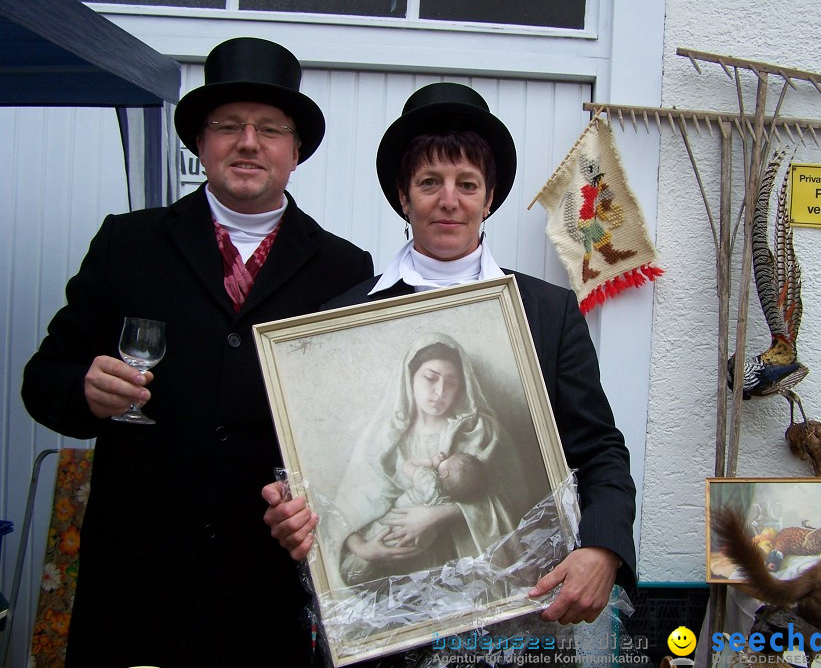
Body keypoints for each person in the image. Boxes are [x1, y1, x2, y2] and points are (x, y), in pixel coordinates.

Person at [21, 37, 373, 667]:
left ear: (296, 151)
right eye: (227, 126)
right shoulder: (128, 243)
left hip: (263, 586)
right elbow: (44, 378)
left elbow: (354, 431)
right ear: (200, 142)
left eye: (270, 128)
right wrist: (84, 389)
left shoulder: (343, 270)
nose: (248, 142)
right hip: (137, 580)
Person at [263, 82, 636, 639]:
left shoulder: (547, 311)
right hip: (386, 627)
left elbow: (600, 447)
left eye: (468, 184)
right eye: (429, 183)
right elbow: (321, 476)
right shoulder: (345, 319)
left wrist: (604, 549)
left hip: (517, 615)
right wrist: (295, 513)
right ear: (403, 195)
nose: (449, 200)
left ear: (489, 199)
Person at [337, 334, 517, 586]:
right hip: (393, 575)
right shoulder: (383, 441)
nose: (440, 391)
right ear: (409, 377)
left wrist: (438, 515)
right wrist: (366, 549)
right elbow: (346, 515)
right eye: (430, 378)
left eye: (451, 382)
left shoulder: (477, 432)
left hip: (462, 567)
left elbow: (511, 498)